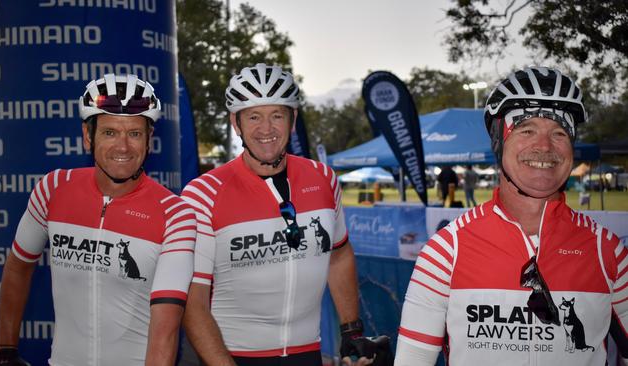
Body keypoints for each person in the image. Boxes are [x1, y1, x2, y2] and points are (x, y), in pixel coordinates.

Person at [394, 66, 628, 365]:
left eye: (559, 132)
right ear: (498, 141)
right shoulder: (445, 252)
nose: (544, 146)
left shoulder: (607, 252)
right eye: (526, 129)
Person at [180, 63, 384, 366]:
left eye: (277, 115)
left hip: (308, 354)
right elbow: (192, 303)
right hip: (231, 356)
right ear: (236, 123)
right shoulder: (204, 194)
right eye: (254, 117)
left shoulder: (322, 179)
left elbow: (339, 255)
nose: (266, 129)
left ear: (292, 120)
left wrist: (351, 330)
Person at [0, 74, 196, 366]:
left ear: (149, 139)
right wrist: (5, 350)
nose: (123, 147)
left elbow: (165, 328)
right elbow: (17, 266)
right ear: (88, 136)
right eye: (110, 132)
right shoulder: (53, 189)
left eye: (135, 134)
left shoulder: (175, 214)